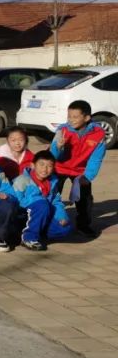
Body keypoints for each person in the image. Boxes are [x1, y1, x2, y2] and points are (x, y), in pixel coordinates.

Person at [51, 100, 107, 237]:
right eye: (69, 116)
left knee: (85, 199)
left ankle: (83, 225)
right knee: (52, 195)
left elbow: (96, 158)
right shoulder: (62, 130)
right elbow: (52, 155)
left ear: (87, 118)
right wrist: (58, 147)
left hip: (80, 171)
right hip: (59, 168)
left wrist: (87, 176)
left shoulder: (98, 134)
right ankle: (50, 221)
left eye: (75, 117)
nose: (71, 120)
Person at [12, 151, 72, 251]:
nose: (45, 169)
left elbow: (56, 201)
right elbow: (16, 200)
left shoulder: (52, 182)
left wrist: (61, 216)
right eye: (41, 164)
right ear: (33, 165)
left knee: (65, 228)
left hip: (43, 214)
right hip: (24, 215)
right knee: (42, 204)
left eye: (49, 166)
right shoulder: (22, 180)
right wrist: (37, 200)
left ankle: (37, 231)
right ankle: (28, 237)